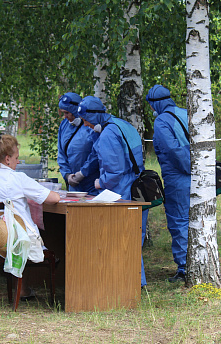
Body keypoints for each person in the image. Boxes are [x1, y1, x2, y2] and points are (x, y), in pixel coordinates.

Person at [0, 134, 60, 299]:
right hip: (12, 245)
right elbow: (54, 198)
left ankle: (23, 289)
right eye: (17, 158)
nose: (18, 162)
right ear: (7, 158)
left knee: (16, 230)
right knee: (22, 234)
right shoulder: (17, 179)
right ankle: (25, 289)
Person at [77, 96, 149, 287]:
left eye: (86, 120)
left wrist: (100, 182)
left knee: (120, 237)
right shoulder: (120, 124)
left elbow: (115, 172)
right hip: (136, 186)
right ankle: (136, 281)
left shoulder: (108, 134)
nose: (85, 125)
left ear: (93, 116)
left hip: (120, 190)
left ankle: (126, 282)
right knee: (134, 237)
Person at [146, 84, 191, 283]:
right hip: (199, 176)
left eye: (151, 106)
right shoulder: (186, 113)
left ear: (155, 104)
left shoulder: (162, 121)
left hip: (178, 177)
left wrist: (187, 168)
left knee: (179, 220)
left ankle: (184, 268)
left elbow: (173, 151)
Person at [57, 92, 100, 195]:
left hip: (91, 183)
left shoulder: (90, 125)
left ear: (75, 111)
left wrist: (83, 173)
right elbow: (61, 153)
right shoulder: (64, 126)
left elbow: (96, 153)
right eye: (63, 113)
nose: (65, 116)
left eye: (67, 113)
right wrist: (67, 175)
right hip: (74, 185)